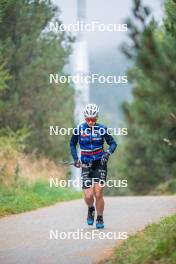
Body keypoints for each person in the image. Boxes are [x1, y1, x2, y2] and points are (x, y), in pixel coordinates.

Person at [70, 104, 117, 229]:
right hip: (86, 164)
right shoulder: (79, 129)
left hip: (100, 163)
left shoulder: (102, 129)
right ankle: (91, 209)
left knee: (98, 192)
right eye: (88, 119)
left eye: (93, 119)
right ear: (85, 118)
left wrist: (107, 153)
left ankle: (100, 217)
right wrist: (76, 159)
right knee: (88, 195)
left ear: (97, 118)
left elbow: (113, 143)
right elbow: (72, 144)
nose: (90, 122)